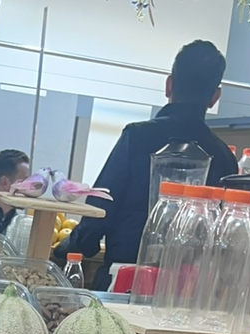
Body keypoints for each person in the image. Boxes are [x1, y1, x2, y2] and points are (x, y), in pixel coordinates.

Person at [62, 40, 239, 289]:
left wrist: (69, 248)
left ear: (169, 84)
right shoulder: (225, 159)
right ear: (215, 97)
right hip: (187, 293)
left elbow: (99, 212)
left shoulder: (136, 137)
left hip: (124, 283)